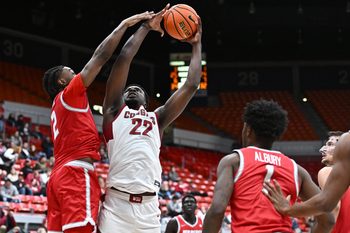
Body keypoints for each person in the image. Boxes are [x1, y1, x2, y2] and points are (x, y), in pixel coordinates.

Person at [42, 11, 155, 233]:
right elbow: (100, 57)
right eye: (71, 73)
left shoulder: (58, 107)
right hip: (74, 173)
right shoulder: (69, 94)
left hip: (58, 177)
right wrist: (123, 25)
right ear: (62, 81)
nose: (76, 75)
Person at [98, 4, 202, 232]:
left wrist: (196, 45)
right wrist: (146, 26)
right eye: (128, 90)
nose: (132, 89)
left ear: (147, 101)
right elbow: (124, 58)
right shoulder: (114, 112)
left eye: (138, 89)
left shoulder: (158, 119)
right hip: (117, 207)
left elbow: (192, 84)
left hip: (149, 208)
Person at [202, 99, 334, 233]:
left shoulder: (234, 161)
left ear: (248, 129)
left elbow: (217, 210)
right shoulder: (297, 170)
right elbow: (328, 220)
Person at [264, 131, 350, 232]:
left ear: (341, 149)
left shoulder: (327, 171)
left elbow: (333, 208)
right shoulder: (345, 179)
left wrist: (289, 209)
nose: (322, 149)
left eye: (330, 144)